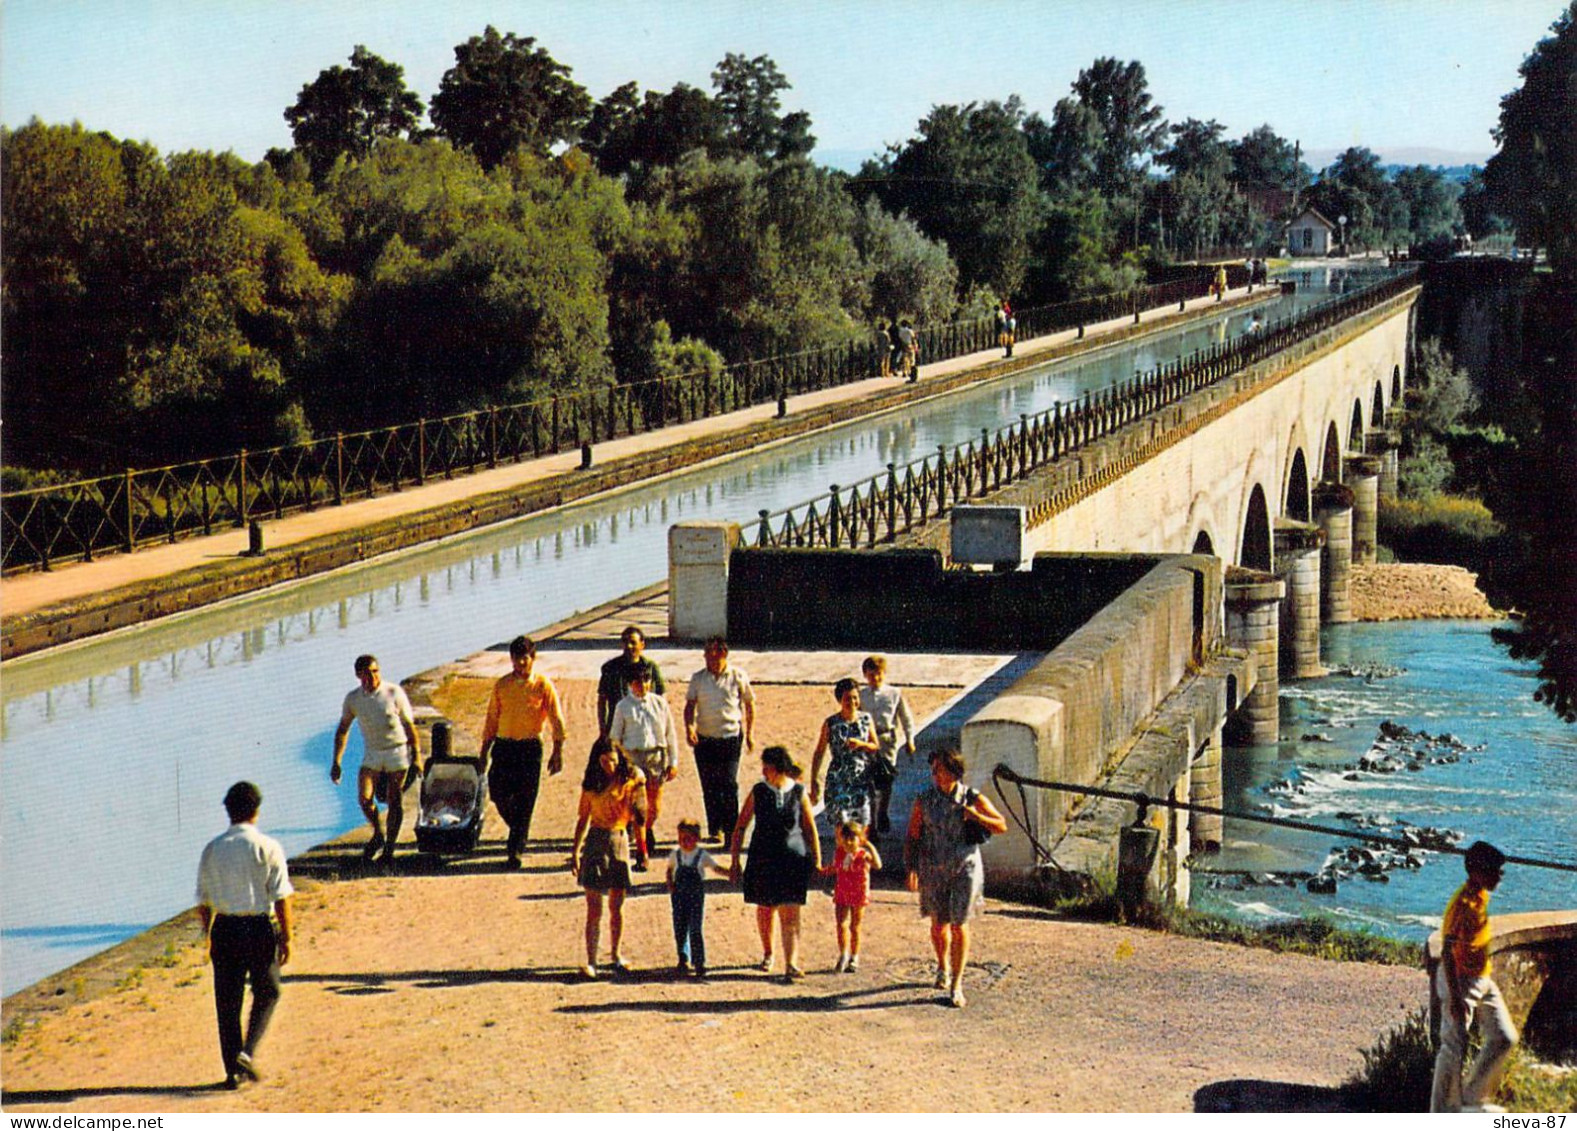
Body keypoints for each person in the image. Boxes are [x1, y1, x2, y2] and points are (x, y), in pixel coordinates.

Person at [196, 781, 293, 1089]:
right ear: (257, 810)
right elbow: (280, 897)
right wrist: (287, 937)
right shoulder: (268, 847)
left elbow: (203, 900)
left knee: (227, 1002)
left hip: (224, 927)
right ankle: (247, 1052)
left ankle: (231, 1072)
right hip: (258, 927)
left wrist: (207, 933)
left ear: (228, 811)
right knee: (268, 991)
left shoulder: (212, 849)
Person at [905, 749, 1007, 1008]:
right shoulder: (924, 800)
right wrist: (912, 869)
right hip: (933, 868)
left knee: (959, 925)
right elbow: (913, 835)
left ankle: (957, 983)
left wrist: (976, 816)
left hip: (965, 869)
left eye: (939, 769)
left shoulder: (971, 798)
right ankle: (942, 966)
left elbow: (1001, 825)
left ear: (953, 771)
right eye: (934, 769)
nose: (935, 774)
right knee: (939, 923)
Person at [1430, 841, 1518, 1113]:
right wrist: (1456, 998)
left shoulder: (1481, 895)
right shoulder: (1463, 904)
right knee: (1454, 1046)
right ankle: (1442, 1111)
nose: (1499, 876)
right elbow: (1446, 952)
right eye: (1495, 870)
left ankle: (1471, 1098)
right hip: (1461, 980)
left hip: (1481, 978)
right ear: (1476, 871)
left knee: (1505, 1037)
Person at [731, 745, 820, 983]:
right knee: (765, 908)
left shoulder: (799, 792)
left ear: (778, 768)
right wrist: (734, 860)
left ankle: (791, 962)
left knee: (791, 912)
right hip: (763, 858)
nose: (763, 770)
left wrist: (817, 858)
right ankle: (768, 952)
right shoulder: (759, 791)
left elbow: (809, 828)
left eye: (767, 766)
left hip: (792, 860)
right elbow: (741, 826)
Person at [478, 635, 567, 869]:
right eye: (516, 659)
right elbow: (491, 720)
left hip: (529, 749)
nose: (520, 664)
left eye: (525, 659)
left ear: (532, 658)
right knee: (498, 792)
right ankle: (518, 830)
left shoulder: (542, 686)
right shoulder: (502, 685)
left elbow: (556, 719)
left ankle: (514, 850)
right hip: (504, 747)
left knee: (526, 800)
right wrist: (484, 752)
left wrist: (558, 751)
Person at [332, 654, 421, 865]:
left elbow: (410, 727)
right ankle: (378, 833)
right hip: (372, 752)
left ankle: (389, 848)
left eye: (375, 671)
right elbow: (343, 729)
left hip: (397, 751)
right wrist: (337, 761)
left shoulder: (393, 692)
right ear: (358, 675)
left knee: (394, 799)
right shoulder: (353, 699)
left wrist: (417, 756)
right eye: (366, 673)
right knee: (364, 798)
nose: (372, 677)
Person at [570, 737, 648, 978]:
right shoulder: (592, 785)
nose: (608, 766)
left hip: (619, 839)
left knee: (617, 904)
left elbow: (641, 816)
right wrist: (575, 851)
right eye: (603, 761)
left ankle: (615, 955)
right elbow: (583, 819)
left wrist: (642, 848)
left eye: (612, 761)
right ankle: (591, 960)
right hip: (596, 841)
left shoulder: (631, 780)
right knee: (594, 907)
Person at [684, 636, 756, 843]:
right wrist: (689, 728)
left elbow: (749, 705)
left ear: (723, 654)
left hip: (730, 737)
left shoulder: (738, 676)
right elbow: (690, 706)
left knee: (729, 783)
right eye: (706, 653)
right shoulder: (698, 678)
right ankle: (715, 828)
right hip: (705, 738)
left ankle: (732, 829)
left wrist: (749, 733)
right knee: (709, 784)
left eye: (712, 653)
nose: (708, 657)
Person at [609, 661, 678, 860]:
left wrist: (673, 762)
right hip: (633, 757)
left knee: (654, 806)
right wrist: (619, 763)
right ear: (630, 683)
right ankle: (642, 848)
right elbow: (615, 737)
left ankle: (645, 830)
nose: (643, 685)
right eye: (639, 681)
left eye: (647, 680)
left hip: (656, 757)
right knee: (638, 804)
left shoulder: (660, 704)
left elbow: (670, 734)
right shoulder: (622, 707)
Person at [809, 677, 880, 830]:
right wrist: (814, 779)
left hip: (861, 779)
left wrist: (861, 744)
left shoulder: (866, 719)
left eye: (855, 697)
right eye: (847, 698)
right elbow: (819, 752)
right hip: (839, 781)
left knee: (862, 828)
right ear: (840, 700)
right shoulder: (831, 723)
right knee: (842, 828)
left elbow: (875, 745)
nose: (852, 702)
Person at [859, 655, 918, 836]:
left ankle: (882, 811)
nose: (875, 679)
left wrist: (910, 739)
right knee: (868, 780)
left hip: (887, 740)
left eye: (878, 675)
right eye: (871, 675)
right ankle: (872, 822)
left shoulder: (894, 693)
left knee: (885, 779)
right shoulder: (861, 695)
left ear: (884, 674)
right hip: (867, 740)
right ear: (865, 675)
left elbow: (905, 718)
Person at [666, 817, 728, 977]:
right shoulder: (676, 855)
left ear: (697, 838)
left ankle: (699, 962)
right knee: (680, 926)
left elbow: (715, 868)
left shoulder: (702, 855)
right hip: (679, 896)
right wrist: (670, 885)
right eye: (681, 839)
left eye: (688, 838)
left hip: (695, 897)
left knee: (695, 928)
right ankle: (683, 957)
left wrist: (730, 873)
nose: (684, 842)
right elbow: (670, 869)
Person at [821, 819, 882, 973]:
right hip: (842, 891)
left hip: (859, 893)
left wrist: (869, 846)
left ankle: (854, 956)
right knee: (841, 923)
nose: (848, 842)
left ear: (859, 839)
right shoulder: (840, 852)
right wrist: (824, 870)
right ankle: (843, 953)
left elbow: (878, 865)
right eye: (845, 838)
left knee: (855, 926)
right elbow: (836, 867)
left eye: (852, 838)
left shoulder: (863, 854)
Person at [597, 626, 667, 737]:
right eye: (625, 642)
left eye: (633, 642)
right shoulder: (610, 669)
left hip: (644, 728)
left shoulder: (651, 668)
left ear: (642, 645)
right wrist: (603, 729)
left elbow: (661, 699)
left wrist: (661, 727)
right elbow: (602, 700)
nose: (629, 646)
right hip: (617, 728)